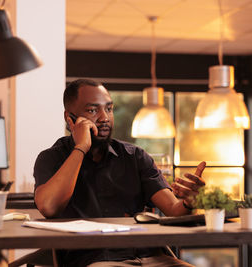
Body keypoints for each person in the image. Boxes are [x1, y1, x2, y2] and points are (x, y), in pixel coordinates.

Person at [33, 79, 206, 267]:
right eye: (92, 111)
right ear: (70, 119)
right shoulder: (51, 158)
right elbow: (49, 207)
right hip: (95, 261)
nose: (104, 117)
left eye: (108, 109)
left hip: (151, 257)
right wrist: (81, 147)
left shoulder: (135, 157)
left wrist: (189, 201)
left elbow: (174, 210)